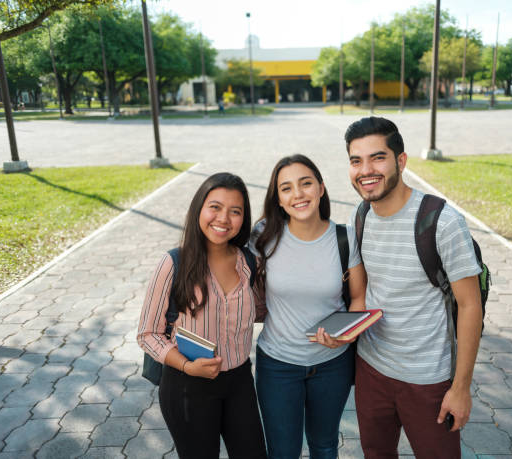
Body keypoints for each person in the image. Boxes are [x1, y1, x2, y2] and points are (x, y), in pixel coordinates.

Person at [344, 117, 483, 459]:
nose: (366, 170)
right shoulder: (359, 218)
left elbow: (470, 306)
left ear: (400, 161)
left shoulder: (443, 222)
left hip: (428, 379)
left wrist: (461, 388)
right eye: (356, 160)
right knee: (376, 454)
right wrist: (341, 332)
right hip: (371, 370)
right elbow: (362, 297)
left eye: (377, 158)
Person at [137, 172, 266, 459]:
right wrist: (186, 365)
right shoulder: (173, 263)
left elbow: (260, 310)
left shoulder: (249, 263)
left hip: (239, 381)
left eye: (236, 211)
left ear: (243, 219)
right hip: (187, 384)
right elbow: (148, 334)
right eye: (215, 207)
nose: (223, 218)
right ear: (199, 209)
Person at [250, 154, 367, 459]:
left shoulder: (344, 238)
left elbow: (358, 297)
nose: (298, 194)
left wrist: (346, 335)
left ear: (321, 188)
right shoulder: (263, 237)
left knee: (325, 446)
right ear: (278, 198)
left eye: (305, 184)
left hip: (333, 363)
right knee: (283, 452)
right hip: (277, 364)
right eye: (286, 188)